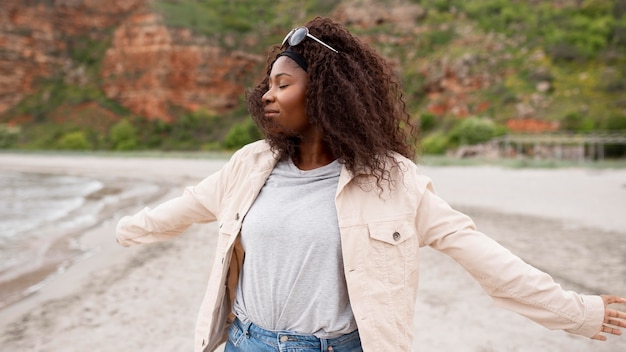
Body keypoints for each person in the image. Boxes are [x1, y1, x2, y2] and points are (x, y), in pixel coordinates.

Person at [116, 16, 626, 352]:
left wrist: (576, 312)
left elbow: (483, 256)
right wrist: (124, 229)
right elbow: (185, 207)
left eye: (283, 84)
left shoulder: (394, 182)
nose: (266, 96)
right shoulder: (249, 166)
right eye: (267, 84)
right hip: (246, 341)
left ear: (327, 94)